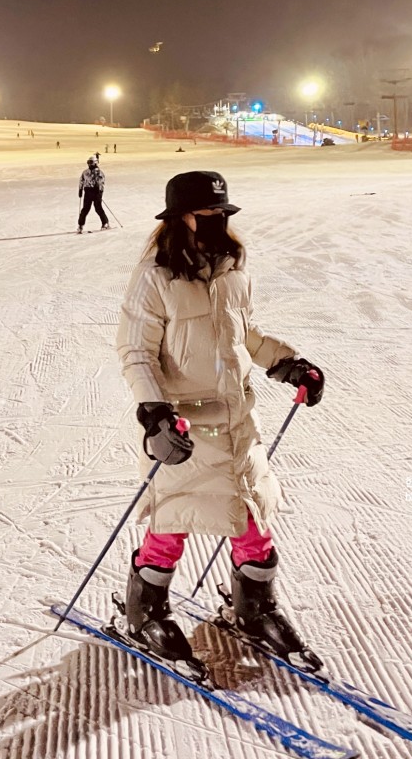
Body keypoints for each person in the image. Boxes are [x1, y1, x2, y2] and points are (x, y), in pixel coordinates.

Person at [116, 170, 325, 671]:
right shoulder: (154, 278)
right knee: (176, 515)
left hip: (237, 419)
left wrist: (286, 362)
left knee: (251, 512)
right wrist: (154, 413)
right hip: (183, 426)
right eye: (203, 215)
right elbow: (136, 353)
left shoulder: (233, 272)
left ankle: (254, 608)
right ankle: (146, 611)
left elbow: (243, 335)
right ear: (177, 220)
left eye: (220, 215)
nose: (213, 223)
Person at [77, 156, 110, 232]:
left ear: (95, 163)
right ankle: (80, 225)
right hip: (88, 192)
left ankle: (105, 223)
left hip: (96, 192)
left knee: (98, 208)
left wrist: (99, 190)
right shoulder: (85, 172)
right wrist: (80, 189)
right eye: (88, 162)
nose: (89, 164)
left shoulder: (99, 172)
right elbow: (81, 180)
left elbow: (102, 182)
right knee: (85, 209)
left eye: (91, 162)